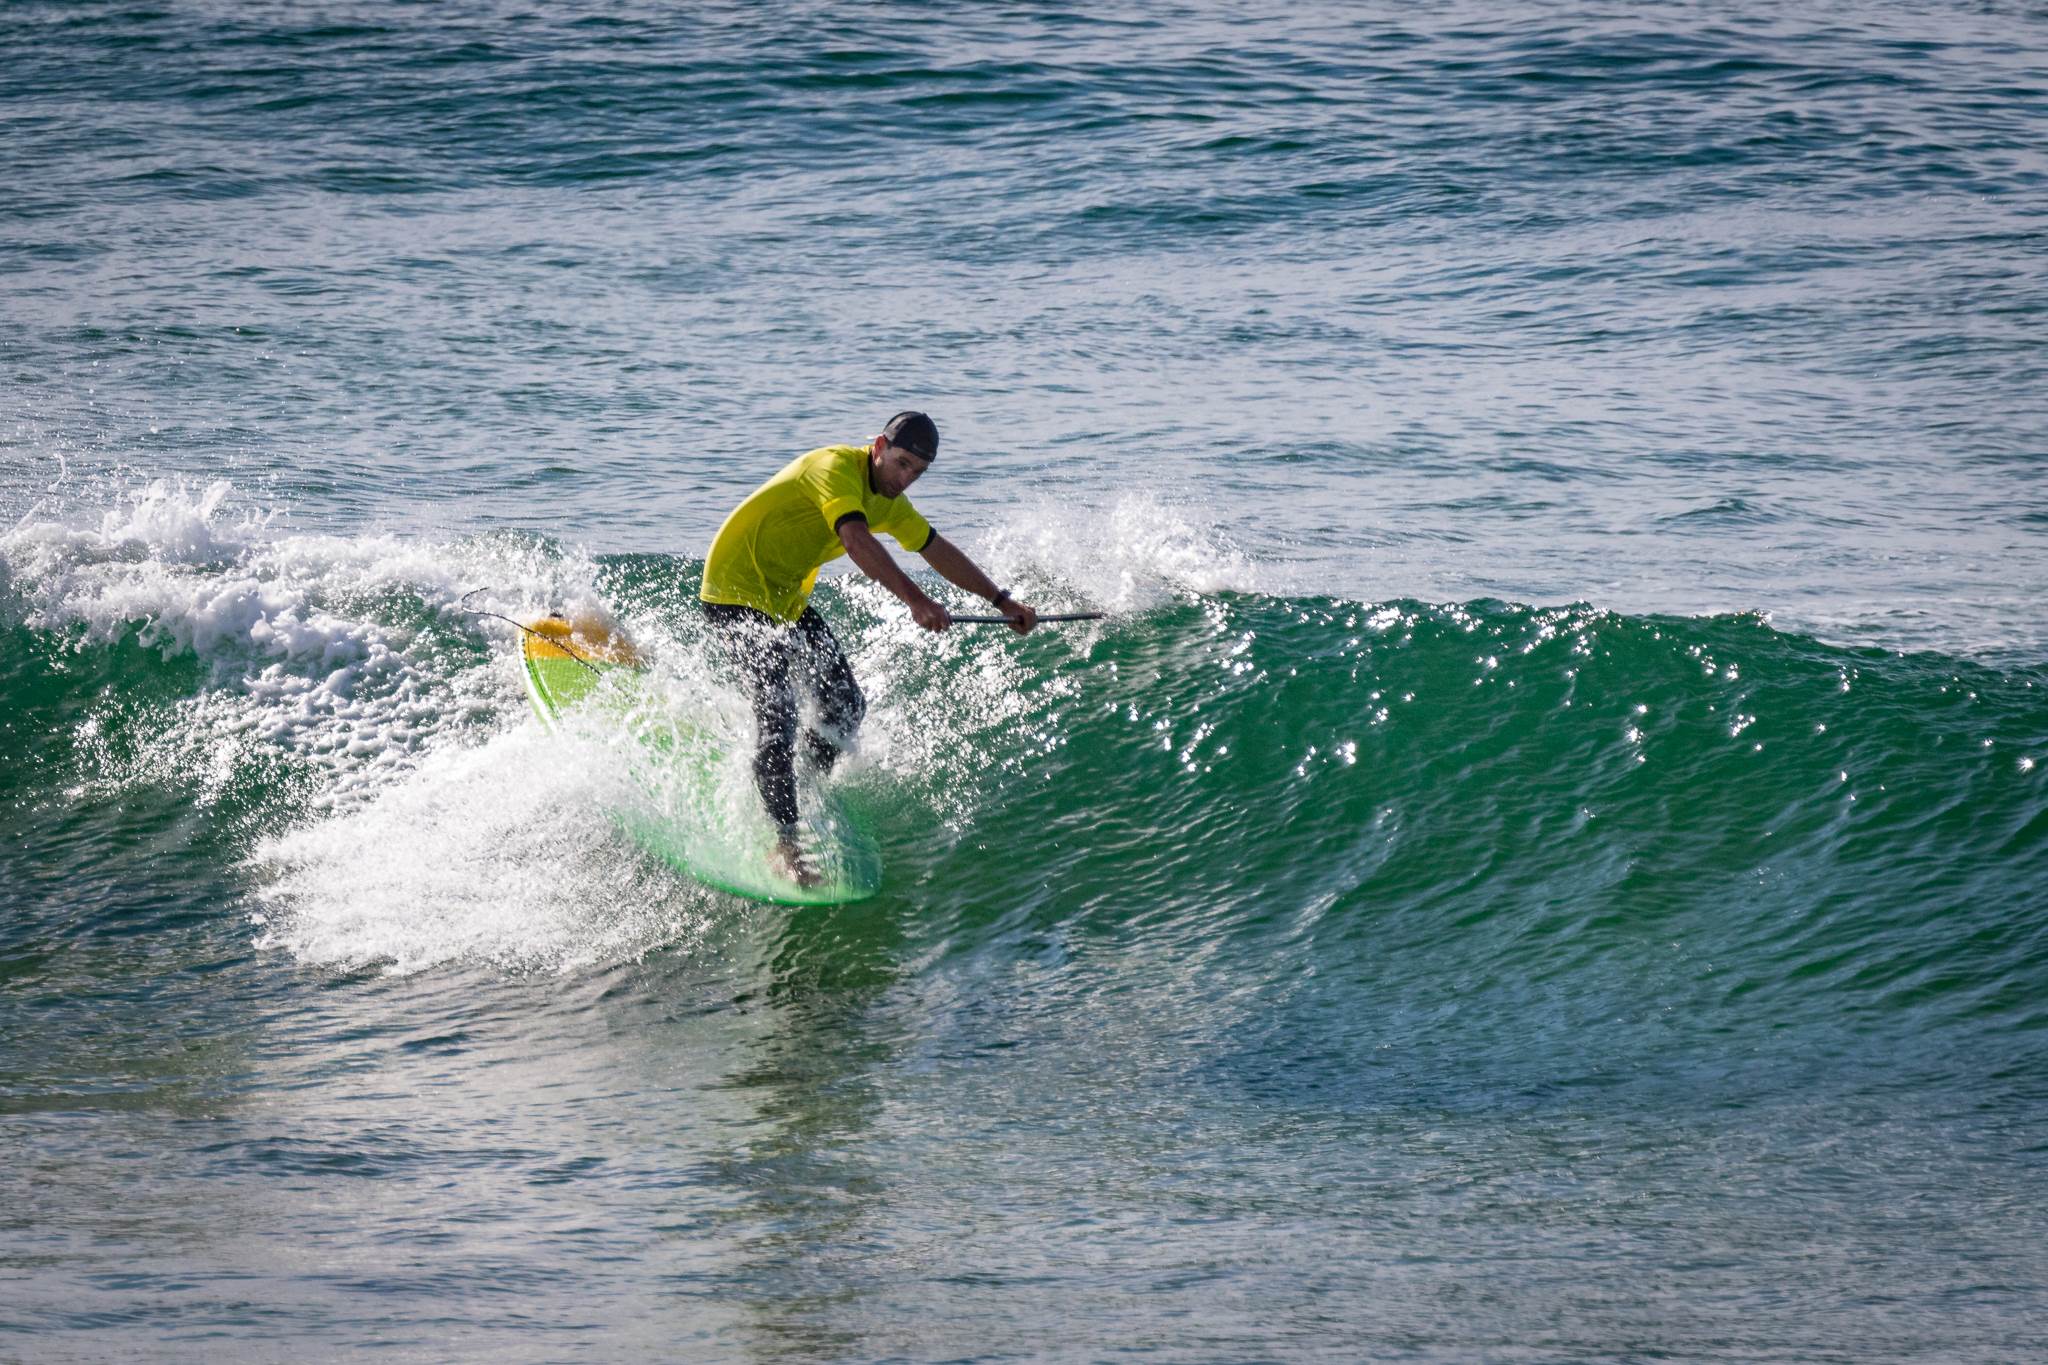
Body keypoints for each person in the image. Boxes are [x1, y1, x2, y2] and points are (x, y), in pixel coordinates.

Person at [699, 411, 1037, 885]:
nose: (906, 479)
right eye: (902, 464)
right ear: (879, 446)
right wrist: (917, 601)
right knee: (779, 712)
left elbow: (934, 548)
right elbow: (855, 540)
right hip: (733, 592)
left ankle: (803, 785)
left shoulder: (890, 502)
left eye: (918, 472)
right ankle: (785, 845)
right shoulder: (834, 468)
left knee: (846, 706)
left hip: (784, 601)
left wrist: (1001, 601)